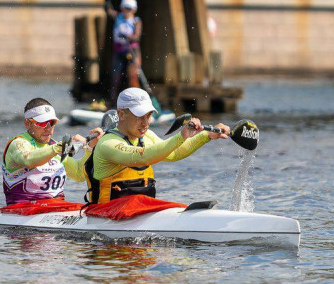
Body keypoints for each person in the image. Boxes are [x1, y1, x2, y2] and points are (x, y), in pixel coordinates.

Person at [84, 88, 229, 205]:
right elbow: (142, 156)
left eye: (148, 115)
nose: (145, 123)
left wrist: (206, 135)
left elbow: (174, 153)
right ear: (121, 114)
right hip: (105, 215)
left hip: (140, 210)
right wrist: (181, 136)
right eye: (140, 116)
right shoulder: (107, 143)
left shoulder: (147, 136)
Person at [2, 98, 103, 204]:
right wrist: (59, 147)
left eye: (52, 122)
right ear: (27, 123)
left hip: (55, 208)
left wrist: (91, 148)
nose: (48, 128)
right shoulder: (19, 143)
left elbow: (79, 174)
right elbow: (28, 160)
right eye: (42, 123)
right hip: (21, 211)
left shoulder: (55, 145)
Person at [105, 0, 142, 106]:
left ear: (134, 10)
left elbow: (137, 36)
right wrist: (106, 3)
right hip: (119, 51)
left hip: (132, 51)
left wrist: (128, 37)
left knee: (133, 78)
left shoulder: (136, 21)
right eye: (125, 8)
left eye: (130, 9)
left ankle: (137, 105)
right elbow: (108, 11)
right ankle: (112, 104)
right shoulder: (117, 16)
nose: (127, 11)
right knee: (115, 78)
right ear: (122, 8)